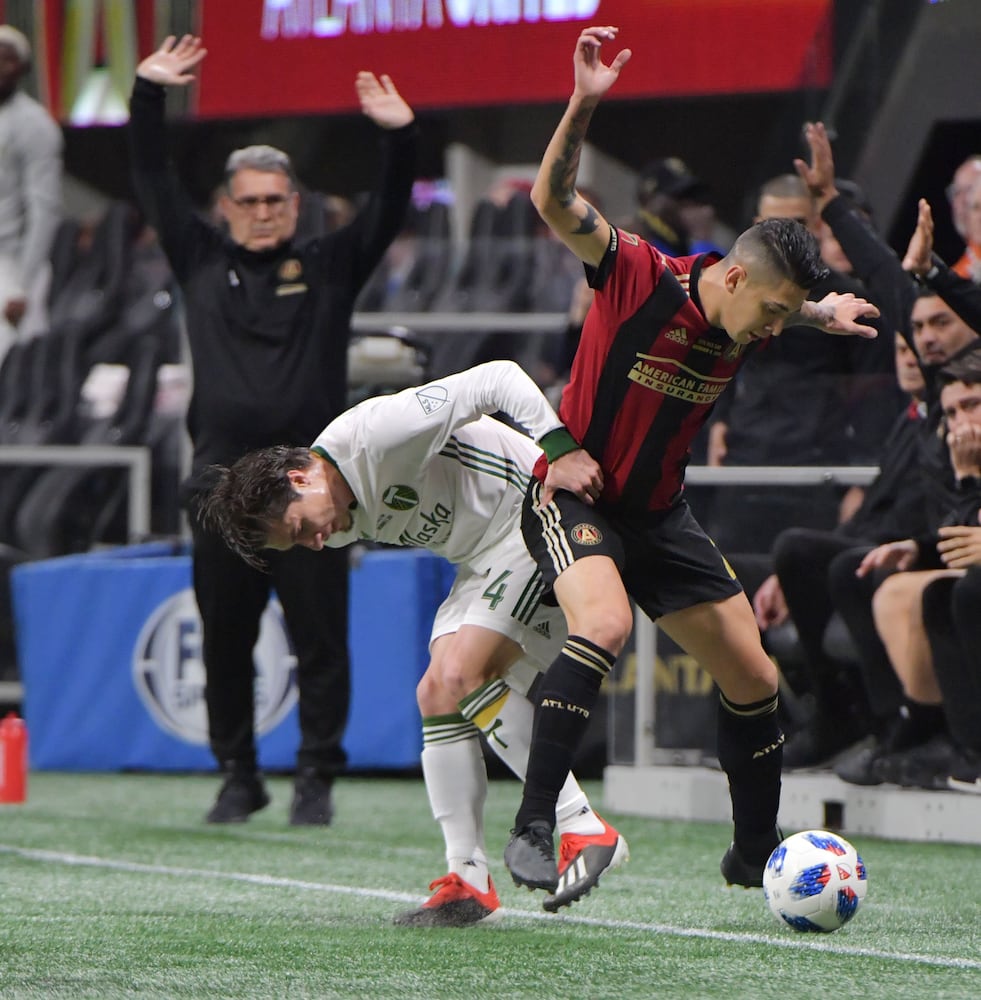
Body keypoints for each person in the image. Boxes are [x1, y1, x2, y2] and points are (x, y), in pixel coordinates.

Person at [503, 25, 880, 894]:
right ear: (737, 281)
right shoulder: (639, 272)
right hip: (573, 495)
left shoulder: (758, 310)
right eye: (778, 312)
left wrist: (823, 312)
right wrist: (583, 102)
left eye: (790, 317)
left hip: (660, 515)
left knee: (752, 673)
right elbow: (554, 203)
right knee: (603, 626)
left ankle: (754, 857)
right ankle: (532, 826)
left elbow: (789, 302)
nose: (776, 331)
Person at [198, 359, 628, 923]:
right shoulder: (333, 508)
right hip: (483, 556)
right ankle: (467, 878)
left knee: (459, 675)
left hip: (536, 513)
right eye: (298, 545)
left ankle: (584, 826)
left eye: (302, 529)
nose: (316, 543)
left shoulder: (378, 434)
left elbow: (497, 378)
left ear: (300, 477)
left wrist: (560, 450)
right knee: (437, 694)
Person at [128, 35, 417, 825]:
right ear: (226, 207)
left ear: (297, 204)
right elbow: (151, 177)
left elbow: (390, 210)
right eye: (248, 200)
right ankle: (238, 775)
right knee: (225, 638)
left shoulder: (327, 266)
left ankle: (316, 777)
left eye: (275, 200)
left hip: (314, 492)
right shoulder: (197, 256)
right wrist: (149, 95)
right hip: (219, 489)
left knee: (321, 640)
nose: (261, 213)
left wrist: (398, 137)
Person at [0, 24, 63, 362]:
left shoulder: (34, 124)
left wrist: (24, 284)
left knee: (12, 362)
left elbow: (45, 208)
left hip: (11, 262)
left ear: (21, 68)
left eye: (6, 60)